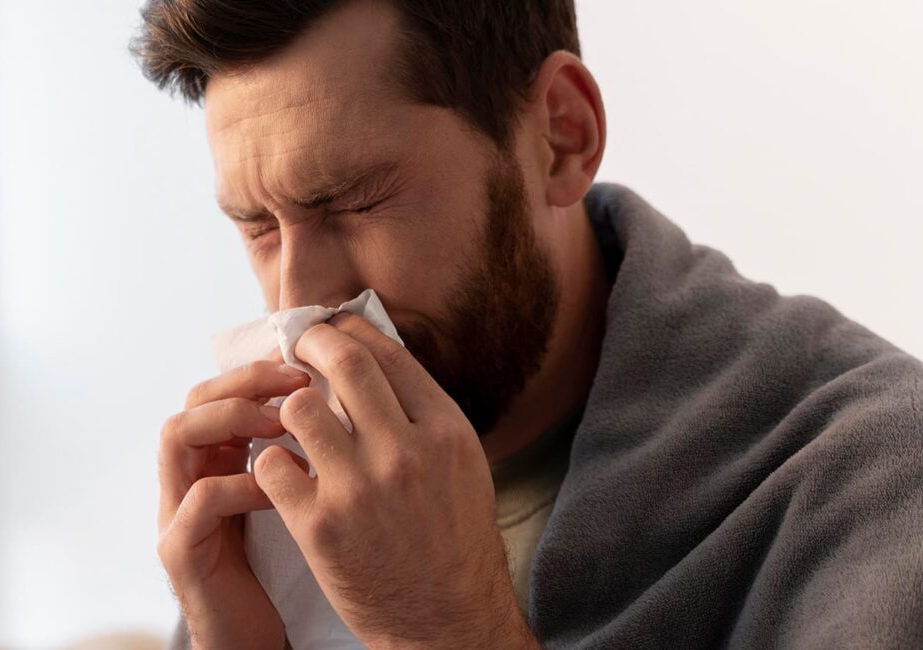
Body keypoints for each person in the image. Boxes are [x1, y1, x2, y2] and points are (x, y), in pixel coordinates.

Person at [132, 1, 923, 647]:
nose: (296, 302)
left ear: (561, 137)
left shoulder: (875, 480)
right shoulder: (276, 524)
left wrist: (448, 632)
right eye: (258, 226)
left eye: (354, 201)